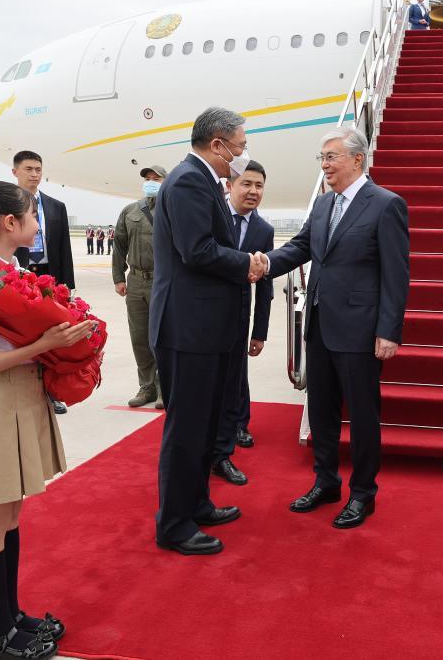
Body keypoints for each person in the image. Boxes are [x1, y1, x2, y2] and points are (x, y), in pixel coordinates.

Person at [0, 181, 93, 660]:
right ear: (10, 223)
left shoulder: (16, 272)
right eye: (32, 216)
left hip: (25, 393)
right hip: (0, 398)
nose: (38, 224)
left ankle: (11, 617)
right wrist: (45, 345)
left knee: (10, 515)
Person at [260, 126, 410, 529]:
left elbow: (396, 275)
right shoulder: (324, 203)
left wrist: (389, 330)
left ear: (357, 159)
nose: (324, 165)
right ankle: (325, 482)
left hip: (360, 331)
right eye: (322, 158)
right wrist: (265, 264)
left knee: (362, 416)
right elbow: (301, 247)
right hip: (320, 325)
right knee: (322, 412)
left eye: (331, 157)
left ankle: (363, 494)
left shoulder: (386, 205)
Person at [149, 106, 266, 556]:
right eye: (239, 146)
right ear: (217, 145)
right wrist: (246, 263)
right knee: (186, 429)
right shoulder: (187, 181)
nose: (242, 154)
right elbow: (196, 250)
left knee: (204, 424)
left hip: (204, 328)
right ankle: (174, 525)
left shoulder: (202, 181)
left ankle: (196, 503)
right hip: (187, 329)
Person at [211, 161, 274, 485]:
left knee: (235, 380)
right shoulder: (211, 217)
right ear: (230, 186)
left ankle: (231, 438)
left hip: (238, 317)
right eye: (246, 184)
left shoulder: (264, 230)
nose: (253, 191)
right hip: (205, 317)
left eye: (259, 186)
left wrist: (259, 332)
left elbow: (265, 287)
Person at [12, 150, 75, 415]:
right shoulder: (5, 205)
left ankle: (53, 393)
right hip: (18, 277)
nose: (34, 174)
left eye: (38, 169)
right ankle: (22, 391)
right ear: (15, 172)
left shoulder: (55, 206)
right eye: (28, 169)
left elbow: (64, 248)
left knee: (53, 336)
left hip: (49, 276)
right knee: (21, 336)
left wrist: (68, 285)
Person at [112, 165, 167, 410]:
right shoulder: (130, 211)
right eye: (147, 178)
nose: (151, 182)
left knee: (162, 337)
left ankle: (165, 387)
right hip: (135, 281)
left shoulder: (172, 209)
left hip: (162, 281)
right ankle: (147, 386)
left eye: (156, 178)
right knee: (139, 337)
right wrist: (118, 278)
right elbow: (119, 245)